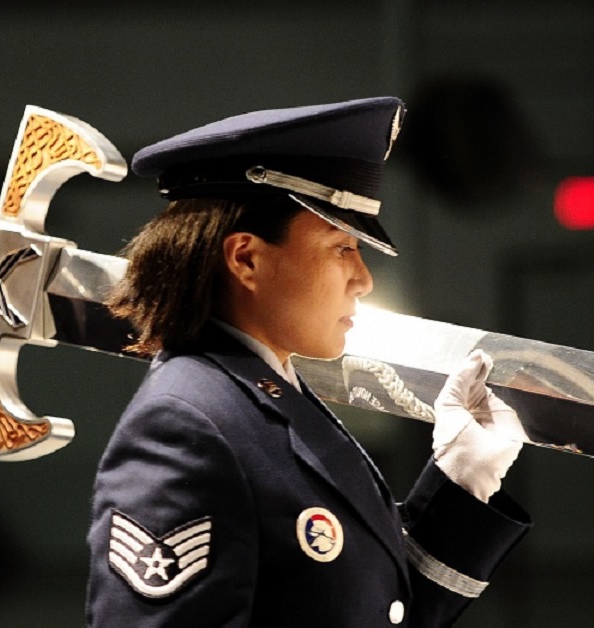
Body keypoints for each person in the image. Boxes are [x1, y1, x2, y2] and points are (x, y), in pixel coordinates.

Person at [86, 97, 532, 626]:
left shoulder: (264, 399)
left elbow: (378, 610)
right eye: (342, 246)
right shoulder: (186, 425)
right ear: (246, 258)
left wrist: (461, 481)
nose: (363, 280)